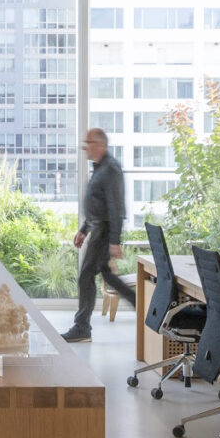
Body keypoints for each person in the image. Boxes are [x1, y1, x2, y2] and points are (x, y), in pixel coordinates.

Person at [63, 126, 134, 342]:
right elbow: (97, 204)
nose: (85, 147)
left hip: (104, 232)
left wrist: (114, 241)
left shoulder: (111, 169)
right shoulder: (100, 167)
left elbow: (115, 208)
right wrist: (84, 229)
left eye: (89, 143)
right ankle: (145, 311)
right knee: (109, 277)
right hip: (98, 229)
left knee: (86, 276)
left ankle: (82, 327)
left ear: (101, 145)